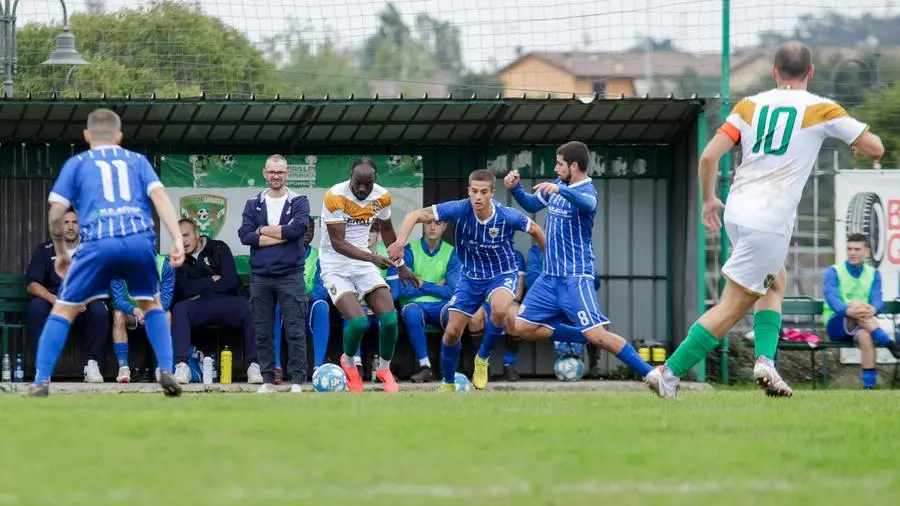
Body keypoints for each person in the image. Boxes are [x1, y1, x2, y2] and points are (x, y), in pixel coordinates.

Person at [645, 42, 885, 398]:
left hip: (738, 214)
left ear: (775, 73)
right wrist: (855, 140)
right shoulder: (822, 108)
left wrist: (709, 199)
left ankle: (766, 363)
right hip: (769, 221)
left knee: (774, 282)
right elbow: (876, 148)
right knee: (731, 307)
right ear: (811, 72)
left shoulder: (749, 105)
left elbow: (709, 157)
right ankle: (668, 373)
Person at [25, 108, 185, 397]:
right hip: (138, 240)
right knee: (152, 305)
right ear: (119, 137)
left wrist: (62, 253)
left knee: (63, 308)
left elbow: (56, 213)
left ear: (86, 136)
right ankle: (165, 369)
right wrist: (176, 238)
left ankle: (41, 381)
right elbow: (159, 196)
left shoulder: (77, 163)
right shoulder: (137, 160)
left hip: (98, 241)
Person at [502, 141, 655, 385]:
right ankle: (586, 336)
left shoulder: (586, 191)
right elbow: (532, 204)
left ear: (574, 166)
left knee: (598, 335)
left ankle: (653, 374)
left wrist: (559, 190)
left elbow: (588, 205)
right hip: (549, 277)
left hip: (575, 277)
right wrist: (516, 188)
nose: (556, 168)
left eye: (560, 164)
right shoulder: (558, 184)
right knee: (520, 326)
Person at [389, 169, 546, 391]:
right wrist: (399, 242)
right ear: (468, 191)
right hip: (471, 278)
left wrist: (548, 260)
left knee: (500, 310)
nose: (478, 197)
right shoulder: (460, 208)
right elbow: (413, 216)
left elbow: (537, 230)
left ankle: (482, 359)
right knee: (452, 332)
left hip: (501, 274)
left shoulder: (507, 215)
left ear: (492, 193)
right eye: (474, 191)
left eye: (483, 192)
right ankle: (448, 382)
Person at [318, 157, 419, 393]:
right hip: (335, 265)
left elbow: (386, 230)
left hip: (362, 263)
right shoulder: (335, 195)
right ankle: (349, 362)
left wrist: (401, 265)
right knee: (359, 321)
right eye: (358, 183)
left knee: (390, 320)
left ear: (375, 180)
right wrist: (373, 258)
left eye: (368, 183)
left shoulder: (382, 196)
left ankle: (384, 369)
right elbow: (338, 243)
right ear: (350, 177)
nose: (362, 189)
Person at [238, 154, 310, 393]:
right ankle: (268, 380)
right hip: (261, 277)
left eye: (280, 172)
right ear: (264, 173)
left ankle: (297, 381)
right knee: (262, 331)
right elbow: (245, 235)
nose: (276, 176)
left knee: (295, 331)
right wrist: (281, 235)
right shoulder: (253, 203)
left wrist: (263, 232)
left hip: (291, 275)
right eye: (272, 172)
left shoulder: (299, 200)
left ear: (287, 174)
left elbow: (298, 229)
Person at [172, 218, 262, 385]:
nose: (182, 241)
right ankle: (182, 365)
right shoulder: (178, 259)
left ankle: (254, 365)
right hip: (199, 307)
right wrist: (210, 280)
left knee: (251, 306)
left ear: (197, 234)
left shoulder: (218, 248)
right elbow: (183, 290)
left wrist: (199, 290)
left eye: (186, 235)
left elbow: (230, 282)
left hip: (226, 302)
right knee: (179, 308)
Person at [25, 209, 109, 383]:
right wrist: (54, 300)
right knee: (36, 307)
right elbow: (32, 285)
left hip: (82, 306)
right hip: (54, 305)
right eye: (66, 222)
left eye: (75, 222)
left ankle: (92, 365)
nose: (71, 227)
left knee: (100, 309)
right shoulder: (45, 250)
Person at [823, 234, 892, 389]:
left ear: (866, 251)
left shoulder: (874, 274)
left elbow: (877, 301)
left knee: (866, 336)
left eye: (857, 249)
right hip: (836, 324)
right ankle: (886, 341)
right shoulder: (833, 272)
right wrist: (851, 310)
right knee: (856, 304)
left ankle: (868, 387)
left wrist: (873, 308)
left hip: (862, 324)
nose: (852, 252)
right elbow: (832, 299)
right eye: (849, 249)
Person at [396, 219, 460, 383]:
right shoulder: (410, 250)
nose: (432, 227)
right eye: (428, 223)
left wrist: (421, 283)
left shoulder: (451, 253)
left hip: (441, 305)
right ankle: (425, 367)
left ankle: (449, 368)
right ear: (422, 225)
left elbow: (452, 291)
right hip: (414, 304)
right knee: (411, 313)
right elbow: (403, 289)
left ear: (445, 226)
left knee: (455, 315)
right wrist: (436, 286)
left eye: (438, 223)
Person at [273, 216, 331, 381]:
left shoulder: (319, 257)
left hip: (308, 308)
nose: (307, 233)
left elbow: (323, 287)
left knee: (322, 306)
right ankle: (276, 367)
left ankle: (318, 368)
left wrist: (309, 296)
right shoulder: (281, 255)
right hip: (287, 307)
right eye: (303, 229)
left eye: (311, 229)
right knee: (274, 306)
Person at [109, 253, 175, 383]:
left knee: (167, 315)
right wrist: (135, 310)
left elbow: (166, 299)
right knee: (118, 315)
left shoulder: (164, 264)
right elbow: (119, 300)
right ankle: (123, 368)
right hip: (131, 312)